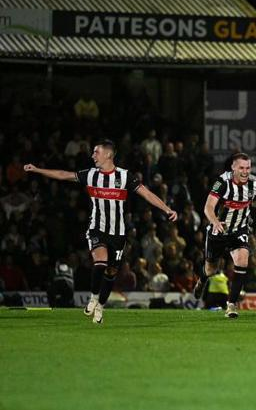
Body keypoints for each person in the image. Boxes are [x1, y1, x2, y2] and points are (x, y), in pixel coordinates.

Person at [24, 139, 177, 324]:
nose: (92, 155)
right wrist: (38, 170)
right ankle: (93, 298)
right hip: (97, 228)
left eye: (96, 152)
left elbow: (147, 194)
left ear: (108, 154)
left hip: (118, 233)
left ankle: (100, 306)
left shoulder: (124, 176)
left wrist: (166, 209)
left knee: (111, 272)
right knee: (100, 263)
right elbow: (64, 175)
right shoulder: (91, 175)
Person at [193, 153, 256, 318]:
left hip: (239, 229)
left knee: (242, 260)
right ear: (233, 168)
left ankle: (231, 305)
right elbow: (208, 207)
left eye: (248, 168)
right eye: (241, 168)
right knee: (211, 270)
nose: (245, 172)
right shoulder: (222, 183)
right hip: (219, 230)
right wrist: (215, 222)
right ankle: (202, 279)